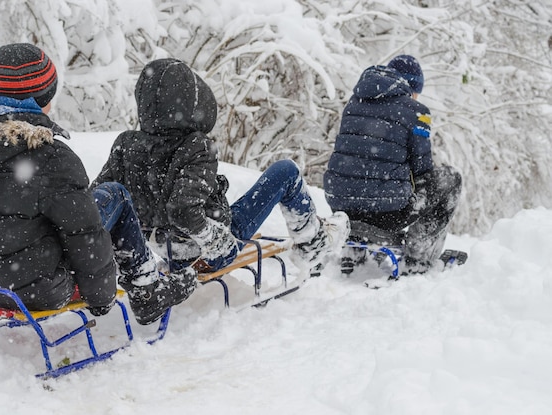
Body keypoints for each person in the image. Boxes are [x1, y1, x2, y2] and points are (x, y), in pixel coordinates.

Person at [0, 43, 195, 325]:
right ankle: (147, 291)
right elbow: (83, 234)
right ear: (43, 96)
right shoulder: (50, 156)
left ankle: (142, 283)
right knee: (116, 196)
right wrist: (100, 298)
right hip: (37, 290)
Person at [92, 58, 349, 274]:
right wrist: (217, 242)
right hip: (208, 250)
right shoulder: (196, 145)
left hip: (158, 248)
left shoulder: (126, 144)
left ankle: (313, 238)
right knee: (286, 172)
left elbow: (96, 202)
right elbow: (182, 209)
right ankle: (313, 243)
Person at [323, 55, 462, 275]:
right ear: (411, 86)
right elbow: (423, 171)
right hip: (386, 214)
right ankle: (419, 257)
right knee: (450, 179)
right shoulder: (418, 112)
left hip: (341, 206)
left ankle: (354, 250)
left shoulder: (354, 103)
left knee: (362, 180)